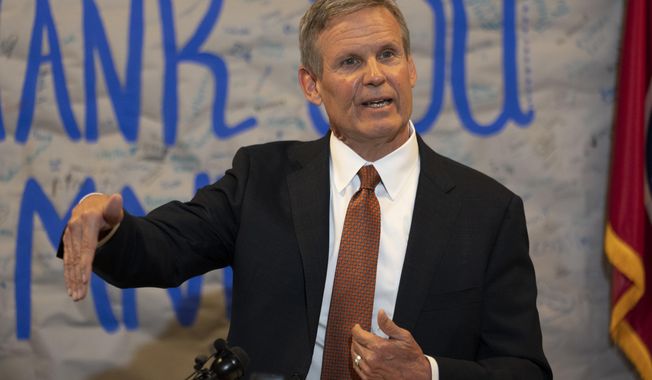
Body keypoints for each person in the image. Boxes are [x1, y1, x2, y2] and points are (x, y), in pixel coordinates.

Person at [59, 1, 552, 379]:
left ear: (411, 68)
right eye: (350, 62)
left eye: (388, 54)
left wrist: (429, 372)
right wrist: (108, 225)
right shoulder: (263, 178)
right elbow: (163, 249)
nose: (375, 75)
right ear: (312, 85)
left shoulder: (488, 211)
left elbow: (525, 369)